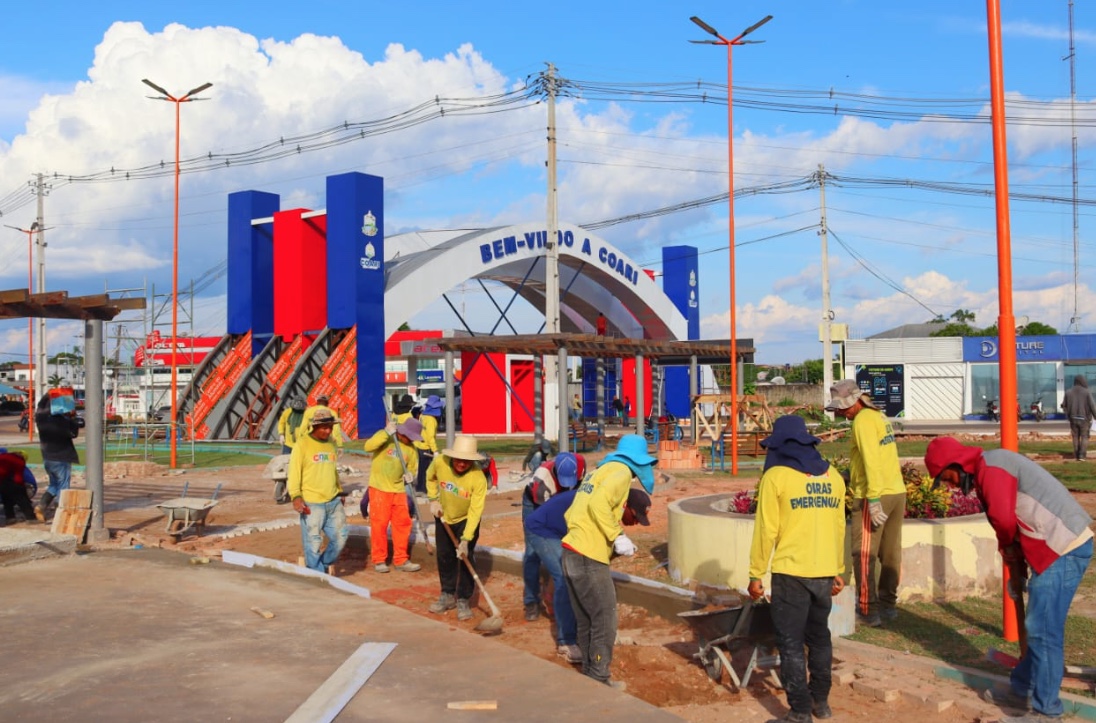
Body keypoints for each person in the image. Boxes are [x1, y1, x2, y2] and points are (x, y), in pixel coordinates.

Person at [925, 437, 1093, 723]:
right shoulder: (987, 468)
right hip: (1051, 548)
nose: (949, 485)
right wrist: (1016, 565)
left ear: (955, 464)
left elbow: (1003, 519)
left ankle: (1047, 712)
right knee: (1039, 628)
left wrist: (1010, 553)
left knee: (1044, 631)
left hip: (1063, 547)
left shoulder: (992, 465)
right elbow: (1012, 521)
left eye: (945, 477)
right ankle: (1022, 689)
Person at [747, 416, 847, 723]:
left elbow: (766, 531)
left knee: (790, 644)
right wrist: (838, 569)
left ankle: (800, 711)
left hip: (791, 574)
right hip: (824, 574)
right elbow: (839, 525)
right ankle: (822, 704)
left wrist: (755, 574)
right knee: (819, 639)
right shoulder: (834, 477)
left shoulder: (776, 477)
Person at [562, 434, 656, 686]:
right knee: (605, 618)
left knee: (585, 618)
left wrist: (608, 545)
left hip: (571, 549)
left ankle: (589, 679)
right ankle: (599, 678)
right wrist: (617, 536)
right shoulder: (621, 472)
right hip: (587, 555)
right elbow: (599, 505)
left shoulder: (598, 471)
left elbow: (573, 512)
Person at [825, 378, 905, 627]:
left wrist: (872, 499)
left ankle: (869, 610)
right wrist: (850, 473)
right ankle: (889, 605)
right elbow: (878, 457)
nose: (839, 412)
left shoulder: (861, 421)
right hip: (896, 491)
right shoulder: (878, 416)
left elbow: (871, 460)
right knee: (891, 553)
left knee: (863, 555)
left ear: (853, 402)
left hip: (874, 494)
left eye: (842, 407)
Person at [426, 434, 489, 621]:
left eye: (467, 461)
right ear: (453, 457)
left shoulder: (478, 478)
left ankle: (463, 598)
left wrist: (465, 539)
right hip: (444, 516)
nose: (462, 464)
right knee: (444, 556)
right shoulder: (440, 463)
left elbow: (476, 511)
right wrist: (433, 500)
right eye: (459, 460)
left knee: (465, 557)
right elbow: (430, 479)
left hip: (466, 520)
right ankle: (447, 594)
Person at [522, 451, 586, 621]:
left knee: (563, 551)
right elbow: (549, 519)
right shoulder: (542, 482)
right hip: (536, 505)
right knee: (532, 552)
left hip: (562, 500)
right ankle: (531, 601)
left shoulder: (580, 465)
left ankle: (557, 595)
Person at [288, 410, 349, 574]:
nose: (328, 431)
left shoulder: (330, 443)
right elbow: (294, 473)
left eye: (330, 427)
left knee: (341, 536)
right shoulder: (302, 445)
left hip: (333, 501)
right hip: (312, 502)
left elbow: (332, 470)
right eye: (324, 427)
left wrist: (339, 491)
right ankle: (317, 574)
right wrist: (296, 496)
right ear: (314, 427)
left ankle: (319, 565)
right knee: (313, 541)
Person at [362, 417, 424, 573]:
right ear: (402, 431)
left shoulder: (411, 449)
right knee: (379, 525)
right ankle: (379, 560)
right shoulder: (387, 439)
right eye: (408, 436)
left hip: (398, 490)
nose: (409, 439)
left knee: (403, 524)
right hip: (379, 489)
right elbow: (368, 446)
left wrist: (410, 476)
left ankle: (401, 559)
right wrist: (385, 433)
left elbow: (412, 469)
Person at [34, 394, 80, 523]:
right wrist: (73, 421)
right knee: (63, 486)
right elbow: (72, 434)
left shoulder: (40, 418)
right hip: (61, 456)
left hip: (47, 457)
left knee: (54, 484)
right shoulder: (61, 421)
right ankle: (62, 512)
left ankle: (41, 506)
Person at [1061, 375, 1096, 461]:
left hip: (1073, 418)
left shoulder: (1068, 392)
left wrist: (1068, 414)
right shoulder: (1087, 392)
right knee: (1084, 436)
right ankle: (1082, 455)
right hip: (1084, 419)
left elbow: (1063, 405)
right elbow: (1092, 406)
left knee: (1075, 437)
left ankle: (1076, 454)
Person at [413, 396, 443, 495]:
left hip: (419, 444)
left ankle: (419, 488)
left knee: (422, 468)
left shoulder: (422, 416)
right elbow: (431, 437)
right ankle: (425, 489)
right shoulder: (431, 420)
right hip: (426, 447)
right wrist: (435, 451)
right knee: (427, 470)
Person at [0, 449, 36, 525]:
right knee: (22, 499)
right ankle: (31, 518)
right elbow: (18, 479)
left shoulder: (6, 456)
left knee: (7, 498)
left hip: (3, 480)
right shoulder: (19, 462)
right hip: (7, 481)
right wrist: (23, 487)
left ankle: (10, 518)